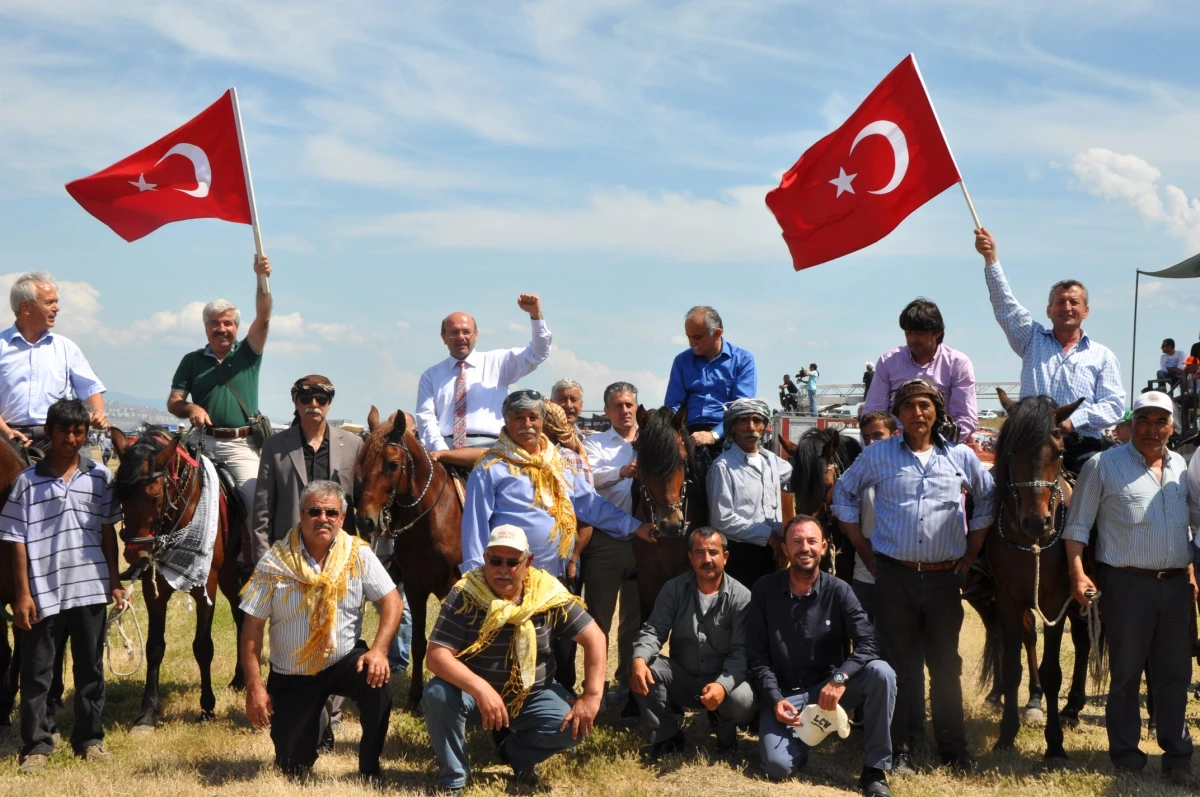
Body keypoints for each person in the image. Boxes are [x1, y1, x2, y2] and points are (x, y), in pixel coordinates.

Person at [832, 379, 994, 774]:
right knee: (898, 665)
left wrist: (972, 550)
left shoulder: (960, 456)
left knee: (945, 666)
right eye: (908, 406)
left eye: (924, 405)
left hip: (944, 581)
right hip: (895, 578)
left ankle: (953, 747)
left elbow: (987, 496)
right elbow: (843, 493)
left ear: (937, 410)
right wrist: (863, 548)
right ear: (897, 415)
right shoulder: (879, 455)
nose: (917, 413)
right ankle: (899, 747)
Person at [1065, 391, 1196, 786]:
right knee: (1125, 673)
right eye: (1144, 420)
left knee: (1176, 674)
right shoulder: (1102, 464)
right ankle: (1126, 755)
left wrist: (1189, 571)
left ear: (1173, 427)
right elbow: (1077, 525)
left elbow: (1189, 526)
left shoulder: (1182, 468)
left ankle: (1178, 758)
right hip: (1126, 584)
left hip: (1175, 586)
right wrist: (1075, 572)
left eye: (1161, 421)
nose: (1152, 429)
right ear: (1130, 422)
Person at [424, 525, 606, 794]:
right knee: (437, 694)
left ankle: (516, 753)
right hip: (474, 695)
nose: (503, 569)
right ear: (485, 559)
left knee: (575, 727)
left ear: (528, 562)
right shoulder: (465, 593)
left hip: (532, 692)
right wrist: (481, 689)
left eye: (512, 562)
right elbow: (436, 656)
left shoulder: (546, 594)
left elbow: (595, 638)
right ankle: (454, 778)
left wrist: (591, 697)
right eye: (495, 560)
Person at [239, 480, 401, 779]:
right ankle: (320, 718)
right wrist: (255, 687)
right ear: (301, 515)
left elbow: (392, 601)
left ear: (342, 518)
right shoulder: (274, 562)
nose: (323, 518)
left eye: (331, 512)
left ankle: (369, 768)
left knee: (377, 679)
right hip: (294, 671)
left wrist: (378, 651)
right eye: (314, 511)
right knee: (292, 769)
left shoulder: (357, 553)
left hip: (342, 659)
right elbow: (252, 629)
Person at [0, 398, 125, 771]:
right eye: (64, 431)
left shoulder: (100, 478)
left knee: (90, 670)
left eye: (78, 431)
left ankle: (90, 738)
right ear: (50, 433)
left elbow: (108, 535)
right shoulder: (26, 484)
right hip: (44, 592)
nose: (71, 438)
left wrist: (115, 583)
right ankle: (36, 745)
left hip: (90, 589)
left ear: (86, 434)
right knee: (36, 672)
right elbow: (16, 542)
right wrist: (23, 594)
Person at [747, 514, 896, 796]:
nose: (805, 547)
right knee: (777, 768)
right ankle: (808, 736)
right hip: (786, 694)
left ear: (824, 547)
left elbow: (869, 641)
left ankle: (875, 770)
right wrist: (775, 699)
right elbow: (757, 655)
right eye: (796, 541)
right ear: (785, 549)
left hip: (831, 690)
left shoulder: (840, 590)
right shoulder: (764, 590)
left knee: (881, 673)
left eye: (812, 541)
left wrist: (840, 678)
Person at [976, 228, 1124, 475]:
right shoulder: (1031, 339)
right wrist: (991, 259)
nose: (1067, 307)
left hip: (1081, 450)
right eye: (1060, 302)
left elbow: (1114, 406)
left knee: (1109, 495)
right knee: (989, 492)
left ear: (1085, 311)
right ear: (1049, 310)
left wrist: (1072, 421)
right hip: (1030, 446)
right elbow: (1005, 305)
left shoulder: (1103, 356)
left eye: (1074, 302)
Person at [460, 390, 654, 580]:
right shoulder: (490, 468)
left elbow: (590, 504)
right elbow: (474, 528)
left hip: (554, 578)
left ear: (542, 421)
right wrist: (476, 580)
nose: (527, 424)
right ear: (506, 422)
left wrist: (635, 527)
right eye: (519, 417)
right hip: (509, 579)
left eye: (533, 417)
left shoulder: (557, 463)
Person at [168, 255, 273, 564]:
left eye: (228, 323)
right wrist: (190, 408)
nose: (221, 328)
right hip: (202, 440)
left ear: (237, 328)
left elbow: (264, 317)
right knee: (165, 492)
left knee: (256, 501)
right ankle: (169, 555)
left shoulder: (249, 353)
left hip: (240, 445)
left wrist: (261, 278)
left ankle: (255, 563)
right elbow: (174, 401)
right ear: (206, 327)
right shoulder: (191, 361)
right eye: (215, 323)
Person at [630, 526, 757, 756]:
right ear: (690, 557)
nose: (706, 559)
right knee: (643, 668)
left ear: (725, 557)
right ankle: (668, 735)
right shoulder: (673, 589)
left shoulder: (742, 598)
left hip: (720, 679)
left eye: (713, 552)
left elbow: (742, 654)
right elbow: (653, 631)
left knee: (743, 697)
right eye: (699, 552)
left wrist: (722, 685)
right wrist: (639, 658)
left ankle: (726, 735)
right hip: (683, 675)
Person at [415, 295, 551, 470]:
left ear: (476, 335)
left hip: (492, 450)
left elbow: (538, 353)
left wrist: (535, 315)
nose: (461, 337)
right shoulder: (431, 375)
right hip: (444, 451)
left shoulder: (497, 362)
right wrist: (442, 452)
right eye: (454, 332)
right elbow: (425, 418)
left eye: (466, 332)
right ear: (443, 337)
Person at [581, 382, 642, 707]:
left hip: (644, 543)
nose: (624, 411)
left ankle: (628, 685)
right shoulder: (596, 444)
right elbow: (588, 480)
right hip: (605, 541)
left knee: (635, 619)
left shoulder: (650, 442)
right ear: (606, 411)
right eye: (617, 406)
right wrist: (622, 471)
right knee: (598, 619)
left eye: (629, 404)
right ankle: (596, 687)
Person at [1, 272, 108, 455]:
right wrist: (6, 432)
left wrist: (98, 411)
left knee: (92, 478)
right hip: (10, 437)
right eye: (49, 302)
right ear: (26, 307)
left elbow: (90, 388)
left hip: (62, 434)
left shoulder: (66, 347)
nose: (57, 308)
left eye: (56, 302)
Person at [863, 298, 978, 442]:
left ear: (937, 333)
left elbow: (966, 418)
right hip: (894, 448)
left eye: (919, 333)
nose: (912, 339)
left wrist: (932, 444)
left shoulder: (958, 364)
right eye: (908, 333)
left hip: (940, 447)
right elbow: (873, 414)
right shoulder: (889, 361)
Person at [706, 398, 792, 590]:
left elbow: (800, 479)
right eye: (744, 420)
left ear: (764, 427)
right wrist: (769, 535)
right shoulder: (723, 466)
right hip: (741, 557)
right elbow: (722, 519)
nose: (751, 427)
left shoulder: (773, 462)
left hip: (774, 554)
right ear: (733, 427)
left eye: (757, 420)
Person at [664, 306, 756, 470]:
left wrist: (714, 435)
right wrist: (676, 433)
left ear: (718, 333)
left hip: (729, 436)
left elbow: (741, 408)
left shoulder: (743, 360)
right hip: (688, 434)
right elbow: (673, 405)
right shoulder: (681, 361)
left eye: (698, 337)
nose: (692, 343)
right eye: (689, 337)